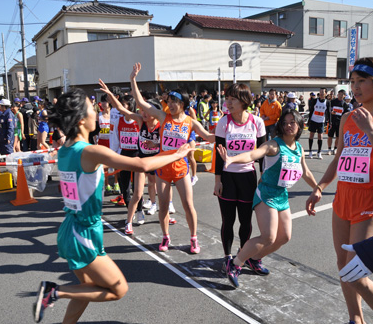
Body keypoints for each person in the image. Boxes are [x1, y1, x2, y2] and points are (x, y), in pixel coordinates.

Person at [33, 88, 193, 324]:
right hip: (83, 232)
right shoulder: (89, 151)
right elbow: (140, 163)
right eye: (91, 107)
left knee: (87, 288)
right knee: (118, 289)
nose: (96, 110)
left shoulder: (65, 150)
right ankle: (55, 291)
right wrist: (176, 154)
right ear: (80, 119)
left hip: (72, 229)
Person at [306, 57, 373, 324]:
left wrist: (371, 130)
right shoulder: (348, 117)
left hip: (371, 200)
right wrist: (319, 187)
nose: (355, 87)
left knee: (355, 273)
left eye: (361, 81)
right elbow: (339, 158)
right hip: (343, 198)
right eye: (352, 82)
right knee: (342, 266)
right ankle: (355, 322)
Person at [220, 109, 317, 288]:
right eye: (285, 122)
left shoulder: (299, 148)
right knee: (269, 237)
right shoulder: (274, 145)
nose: (289, 126)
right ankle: (234, 264)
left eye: (292, 122)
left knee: (284, 237)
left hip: (282, 195)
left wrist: (317, 188)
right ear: (280, 125)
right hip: (266, 193)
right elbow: (252, 154)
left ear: (299, 125)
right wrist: (232, 160)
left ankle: (254, 258)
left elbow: (305, 171)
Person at [130, 63, 215, 253]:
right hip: (162, 169)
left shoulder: (190, 122)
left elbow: (208, 137)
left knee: (188, 205)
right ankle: (165, 237)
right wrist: (132, 80)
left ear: (183, 103)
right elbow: (141, 103)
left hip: (181, 169)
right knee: (162, 206)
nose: (170, 104)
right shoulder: (162, 116)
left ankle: (193, 238)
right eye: (168, 101)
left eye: (174, 101)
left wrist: (232, 135)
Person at [213, 83, 269, 277]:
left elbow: (263, 154)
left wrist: (263, 178)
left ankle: (243, 257)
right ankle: (228, 257)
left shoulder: (257, 122)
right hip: (228, 178)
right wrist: (217, 181)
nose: (228, 103)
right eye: (227, 99)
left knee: (246, 221)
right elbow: (218, 154)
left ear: (244, 101)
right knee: (227, 221)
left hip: (248, 177)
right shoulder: (224, 122)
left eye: (232, 99)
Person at [99, 79, 161, 234]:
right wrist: (110, 94)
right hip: (135, 158)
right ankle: (129, 221)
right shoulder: (139, 120)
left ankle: (164, 211)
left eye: (147, 111)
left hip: (153, 160)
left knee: (159, 189)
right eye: (142, 111)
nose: (144, 113)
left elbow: (168, 143)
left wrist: (156, 146)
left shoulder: (161, 124)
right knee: (135, 192)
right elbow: (120, 107)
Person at [308, 87, 330, 159]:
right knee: (311, 135)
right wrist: (309, 120)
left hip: (321, 121)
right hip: (314, 120)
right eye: (320, 92)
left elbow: (328, 113)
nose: (321, 94)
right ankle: (310, 151)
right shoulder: (315, 101)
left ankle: (319, 152)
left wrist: (330, 122)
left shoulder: (327, 102)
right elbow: (311, 110)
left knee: (320, 136)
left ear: (325, 94)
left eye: (323, 93)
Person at [327, 89, 350, 155]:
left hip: (340, 123)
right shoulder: (332, 102)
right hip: (332, 121)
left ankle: (335, 148)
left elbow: (346, 114)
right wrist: (331, 113)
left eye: (342, 94)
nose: (340, 95)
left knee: (338, 136)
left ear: (344, 96)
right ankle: (329, 148)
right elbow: (328, 110)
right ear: (338, 94)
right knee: (330, 136)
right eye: (339, 94)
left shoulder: (345, 104)